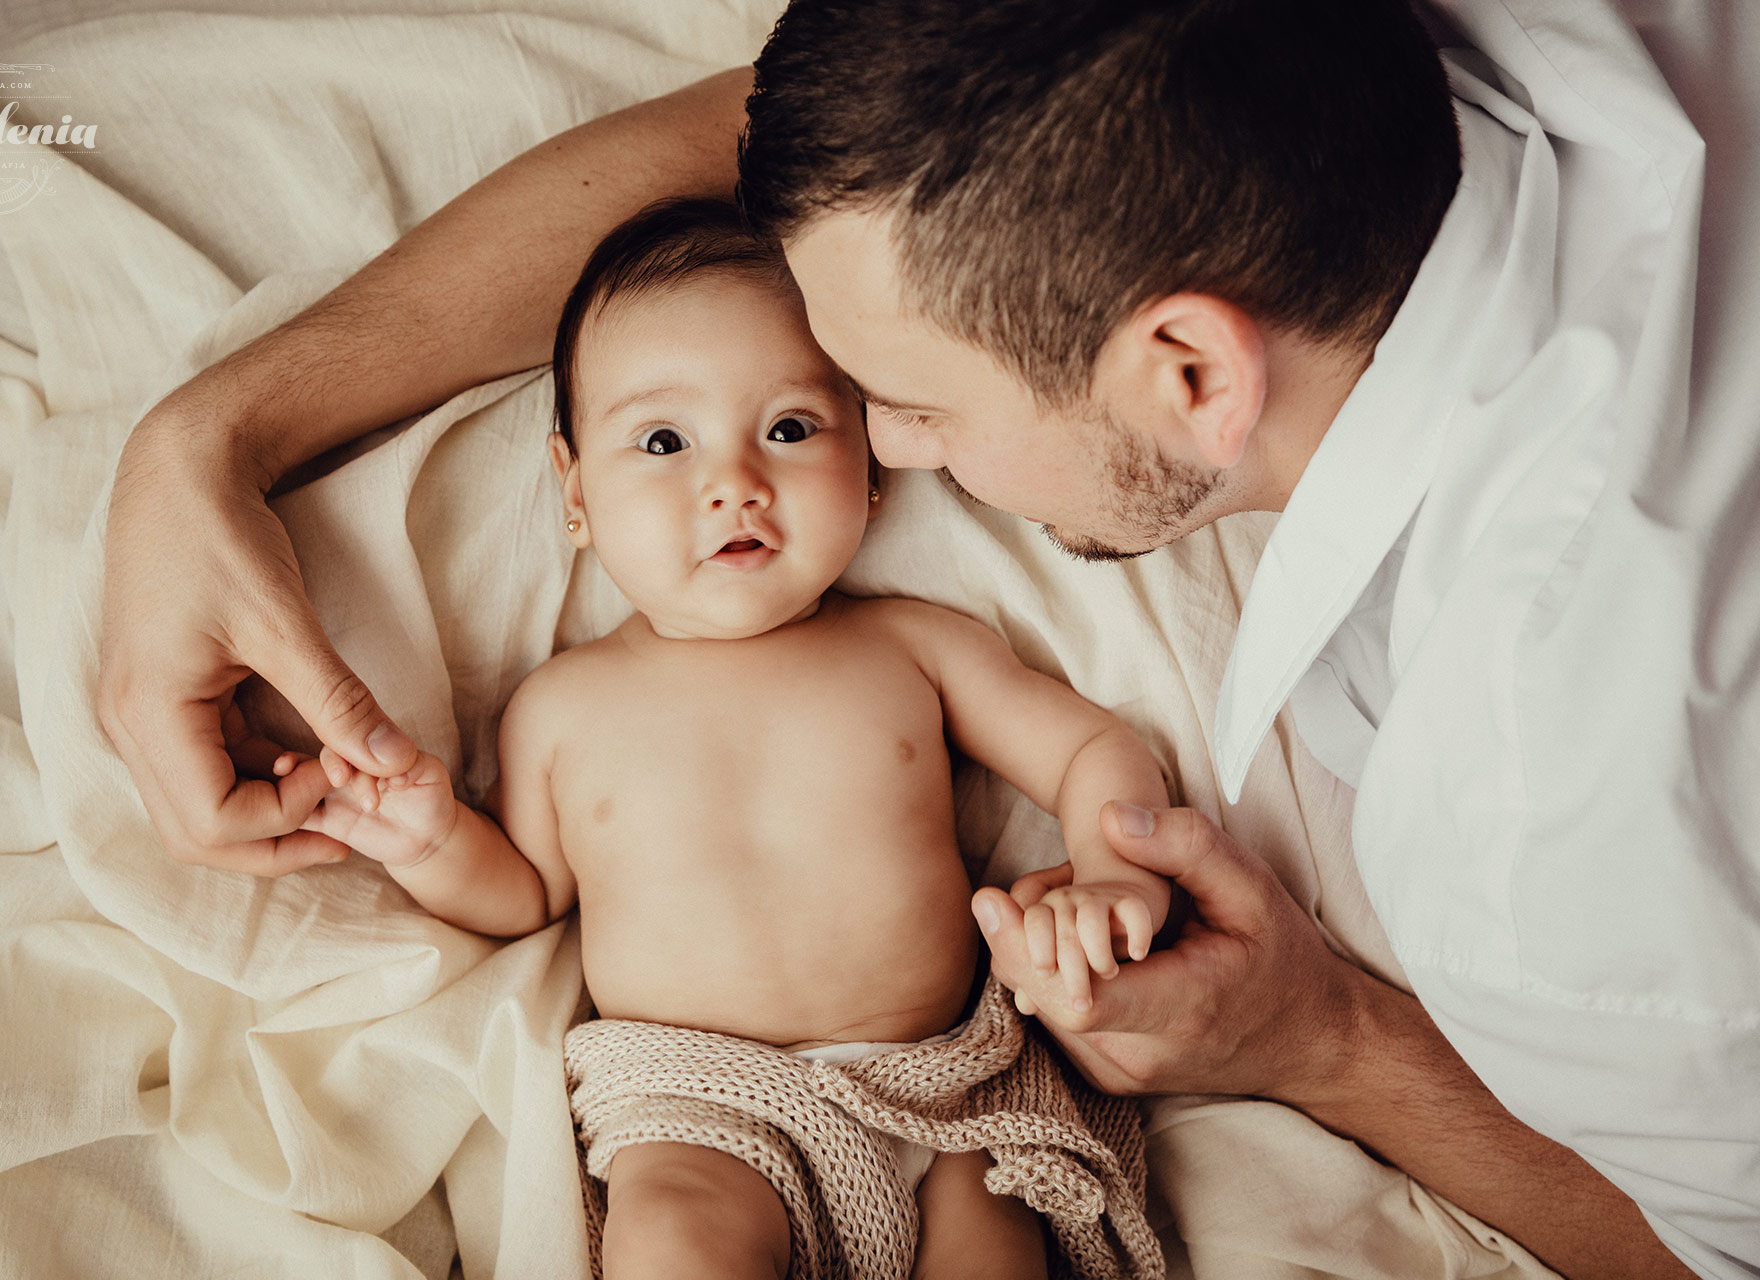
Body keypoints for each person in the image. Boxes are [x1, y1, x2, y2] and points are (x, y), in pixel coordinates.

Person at [97, 1, 1757, 1276]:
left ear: (1189, 373)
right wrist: (212, 439)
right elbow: (859, 155)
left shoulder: (1561, 837)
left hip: (959, 1076)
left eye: (906, 405)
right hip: (706, 1105)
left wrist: (1316, 1034)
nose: (890, 456)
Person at [275, 197, 1171, 1278]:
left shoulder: (917, 650)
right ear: (575, 494)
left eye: (791, 427)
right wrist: (425, 840)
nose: (733, 481)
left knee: (996, 1247)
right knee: (677, 1248)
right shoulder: (562, 705)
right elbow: (522, 893)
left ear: (873, 465)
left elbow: (1089, 753)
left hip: (943, 1090)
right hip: (696, 1108)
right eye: (662, 439)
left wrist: (1114, 872)